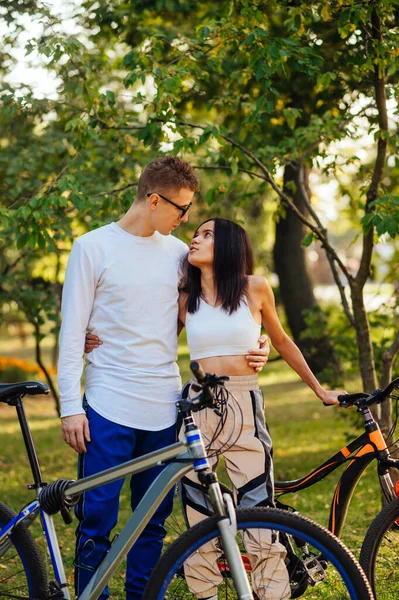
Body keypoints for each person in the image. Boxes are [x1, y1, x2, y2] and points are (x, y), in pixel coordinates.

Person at [58, 156, 269, 600]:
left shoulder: (178, 254)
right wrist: (70, 408)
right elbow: (72, 332)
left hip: (164, 404)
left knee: (152, 518)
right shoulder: (92, 247)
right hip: (106, 404)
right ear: (154, 199)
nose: (187, 220)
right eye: (181, 209)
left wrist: (258, 342)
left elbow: (217, 307)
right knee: (98, 516)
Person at [175, 217, 345, 600]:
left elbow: (282, 340)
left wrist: (319, 388)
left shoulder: (255, 288)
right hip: (197, 406)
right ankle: (206, 595)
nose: (195, 238)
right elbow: (152, 342)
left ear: (231, 246)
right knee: (199, 514)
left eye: (206, 234)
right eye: (196, 232)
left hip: (244, 402)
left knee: (259, 510)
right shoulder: (185, 296)